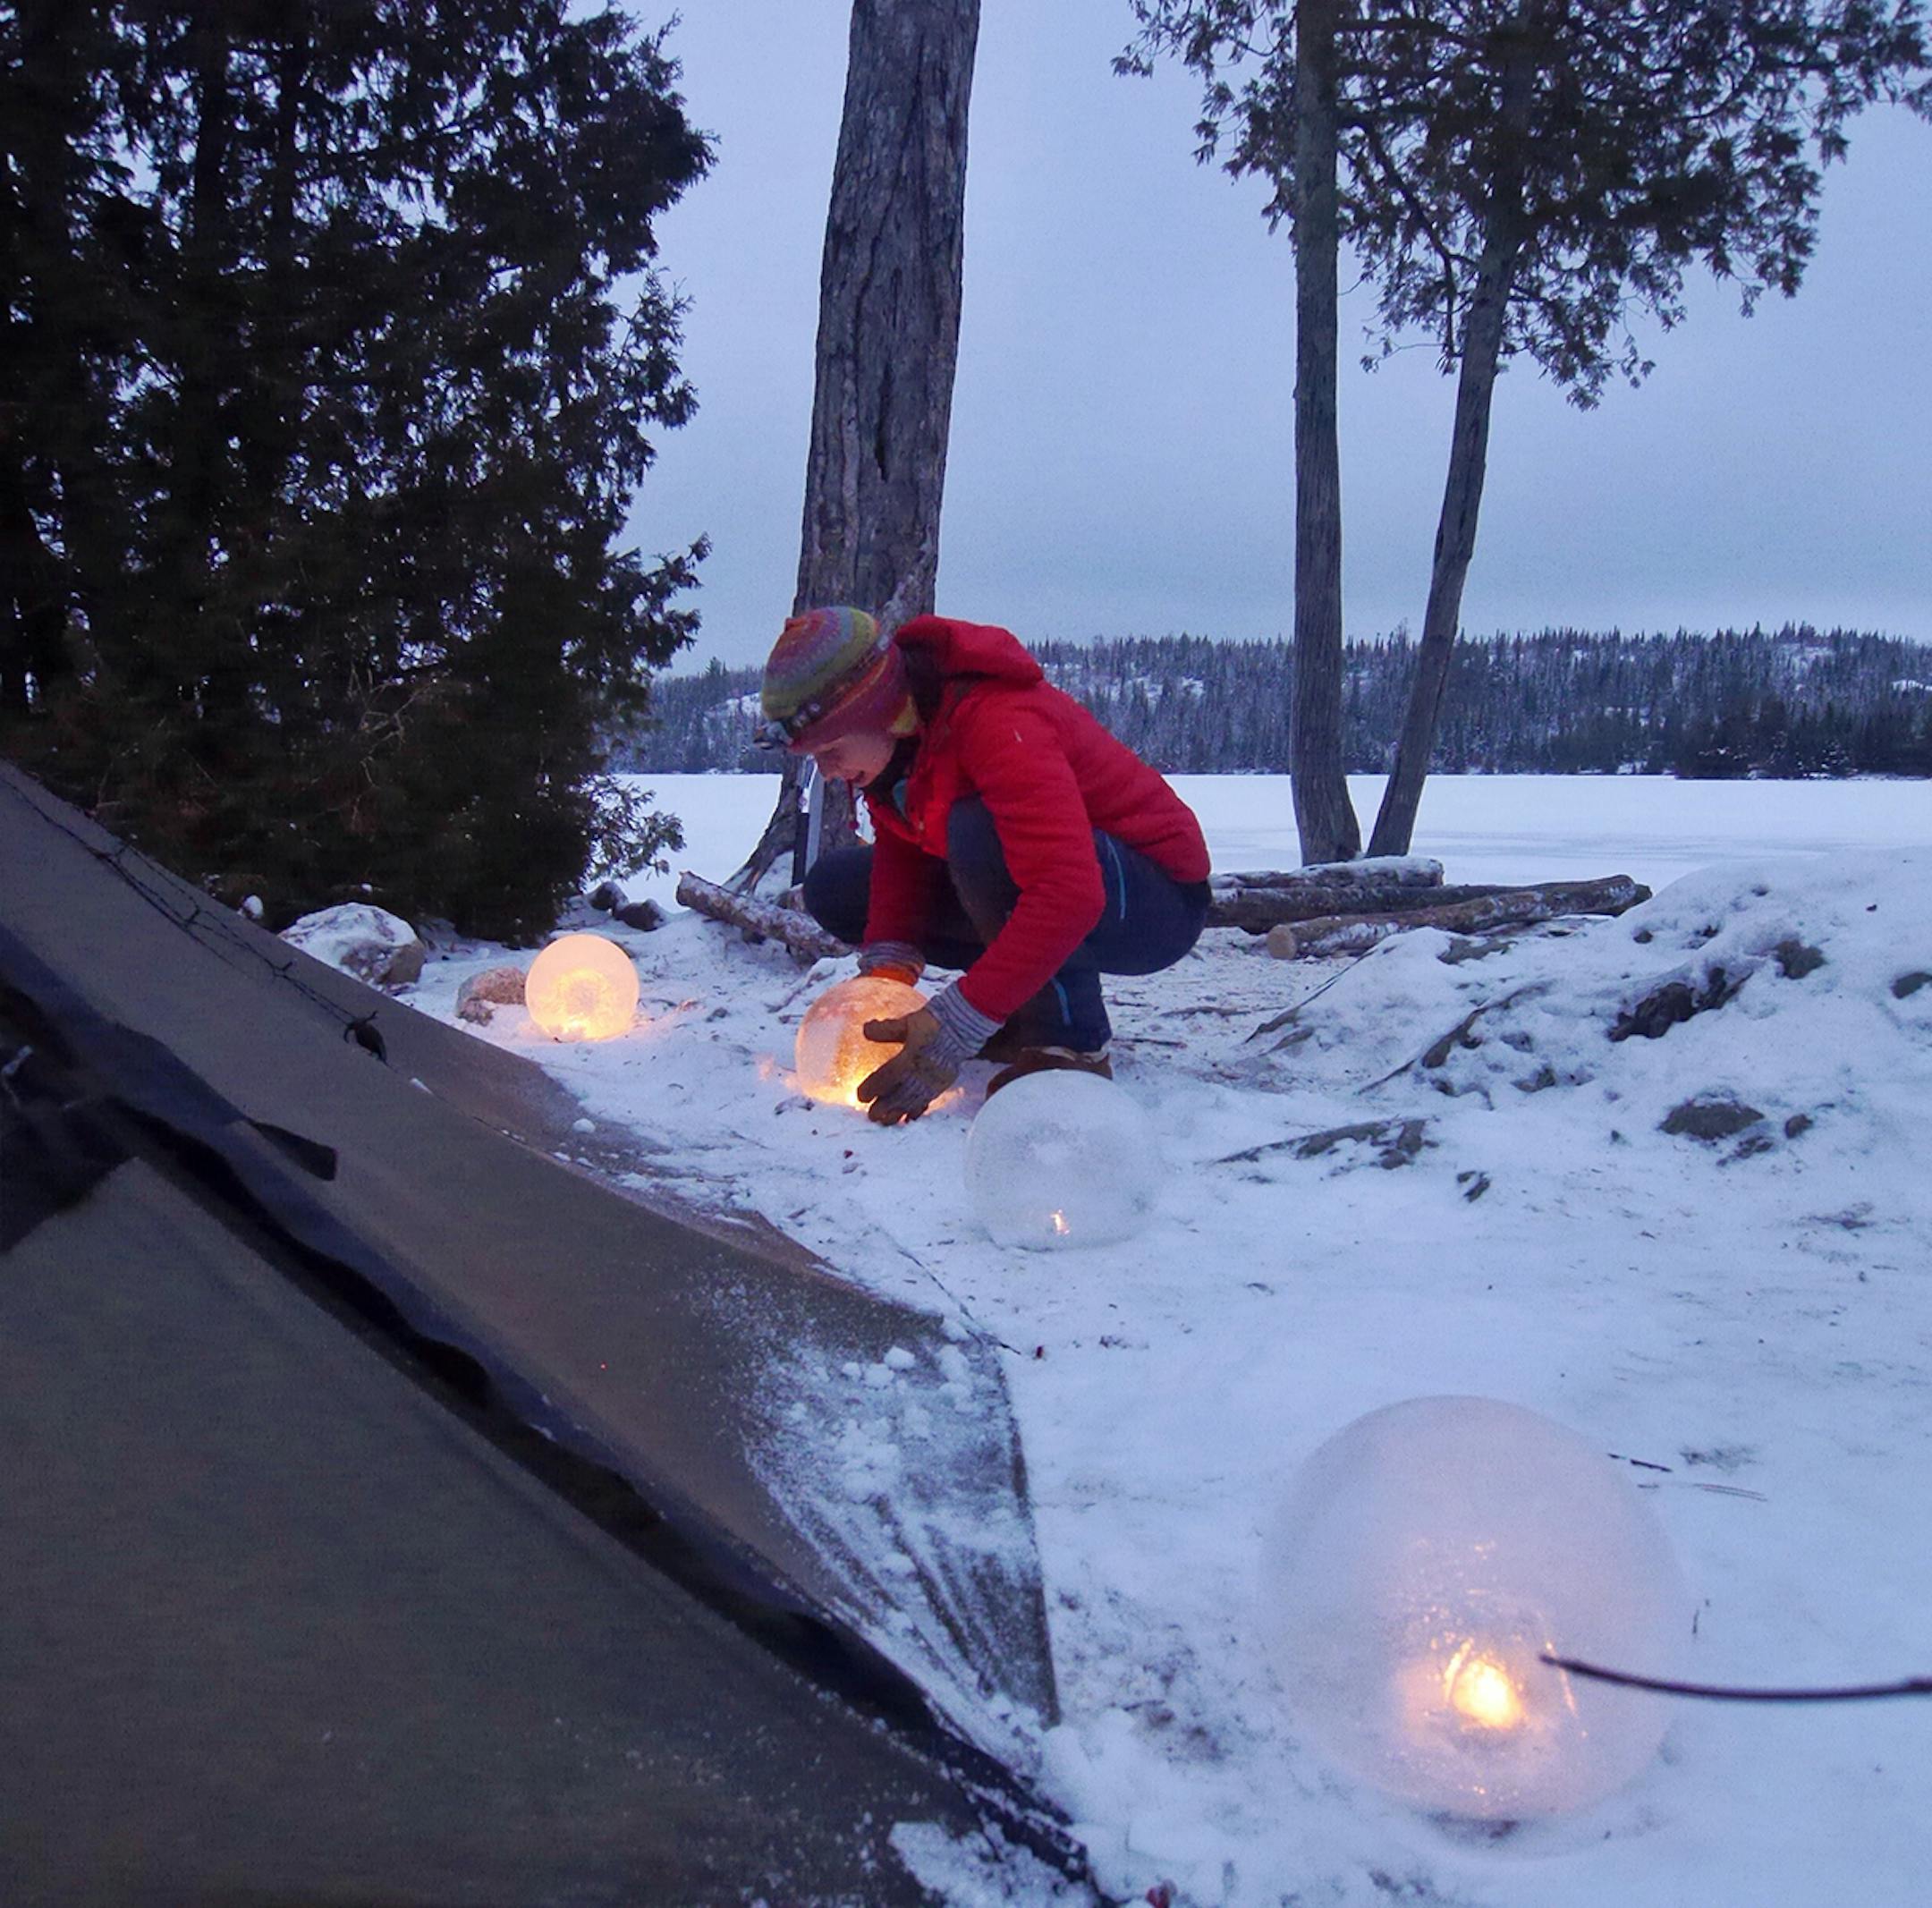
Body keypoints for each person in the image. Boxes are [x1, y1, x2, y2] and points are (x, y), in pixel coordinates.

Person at [756, 606, 1212, 1124]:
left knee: (979, 831)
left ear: (881, 712)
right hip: (1064, 879)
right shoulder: (898, 750)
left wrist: (960, 1020)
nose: (829, 772)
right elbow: (905, 851)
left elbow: (1068, 891)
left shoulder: (996, 719)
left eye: (831, 749)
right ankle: (1016, 1009)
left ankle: (1069, 1043)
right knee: (835, 888)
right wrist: (886, 974)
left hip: (1156, 903)